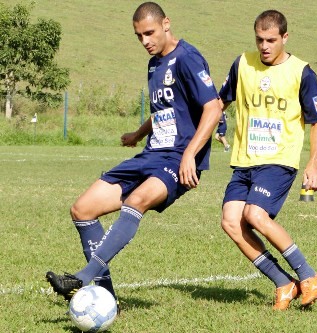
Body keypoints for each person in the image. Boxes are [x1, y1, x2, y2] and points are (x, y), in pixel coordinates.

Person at [46, 1, 222, 306]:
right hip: (150, 155)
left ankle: (81, 279)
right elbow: (165, 110)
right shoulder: (155, 63)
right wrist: (137, 134)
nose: (145, 42)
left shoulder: (188, 58)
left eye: (150, 33)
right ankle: (107, 301)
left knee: (136, 200)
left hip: (177, 159)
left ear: (167, 23)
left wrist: (190, 154)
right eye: (139, 36)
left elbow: (213, 108)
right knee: (82, 209)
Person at [219, 10, 317, 310]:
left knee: (254, 215)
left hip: (279, 160)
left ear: (284, 38)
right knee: (230, 222)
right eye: (259, 40)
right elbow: (220, 101)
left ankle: (309, 276)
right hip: (244, 160)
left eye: (270, 40)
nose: (264, 46)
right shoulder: (242, 64)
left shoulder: (301, 72)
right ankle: (283, 283)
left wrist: (313, 165)